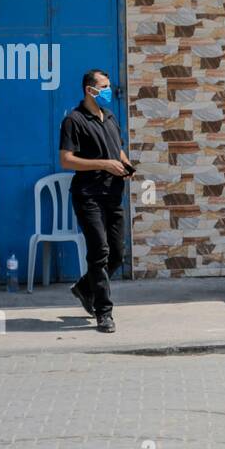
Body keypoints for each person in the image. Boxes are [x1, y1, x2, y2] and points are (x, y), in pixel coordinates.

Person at [59, 69, 132, 333]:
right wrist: (104, 164)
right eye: (103, 86)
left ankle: (83, 288)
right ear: (89, 90)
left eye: (109, 86)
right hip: (88, 195)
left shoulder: (110, 116)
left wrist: (125, 163)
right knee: (99, 252)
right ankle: (104, 312)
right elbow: (66, 159)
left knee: (117, 254)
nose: (108, 91)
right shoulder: (74, 120)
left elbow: (118, 148)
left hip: (113, 194)